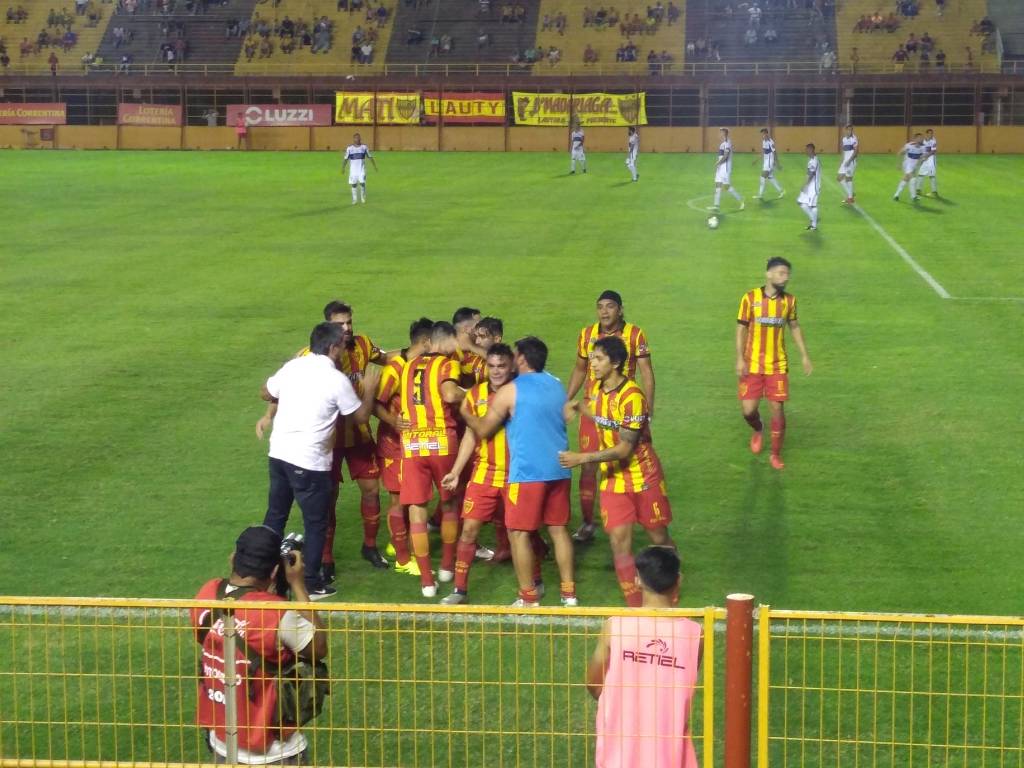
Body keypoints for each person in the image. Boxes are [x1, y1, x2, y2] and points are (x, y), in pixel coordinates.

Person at [260, 322, 379, 597]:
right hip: (309, 461)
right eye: (342, 346)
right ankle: (311, 583)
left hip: (278, 454)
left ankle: (262, 575)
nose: (344, 351)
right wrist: (370, 389)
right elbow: (360, 417)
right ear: (334, 347)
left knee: (275, 515)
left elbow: (266, 392)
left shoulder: (293, 366)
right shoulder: (335, 379)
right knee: (316, 523)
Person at [193, 526, 327, 764]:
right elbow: (318, 648)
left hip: (222, 744)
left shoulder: (207, 593)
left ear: (233, 558)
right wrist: (297, 584)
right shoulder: (276, 613)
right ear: (275, 571)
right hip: (275, 751)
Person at [462, 337, 577, 607]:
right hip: (559, 469)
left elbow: (483, 430)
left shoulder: (509, 391)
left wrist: (465, 413)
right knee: (558, 530)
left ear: (522, 359)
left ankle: (528, 597)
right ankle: (569, 594)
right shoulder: (557, 385)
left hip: (527, 473)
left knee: (518, 533)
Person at [559, 336, 673, 606]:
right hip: (613, 479)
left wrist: (582, 458)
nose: (592, 364)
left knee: (658, 537)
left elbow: (624, 448)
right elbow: (606, 419)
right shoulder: (600, 389)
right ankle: (635, 606)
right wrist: (581, 407)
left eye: (599, 359)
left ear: (616, 362)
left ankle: (670, 588)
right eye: (592, 359)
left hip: (643, 475)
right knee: (619, 542)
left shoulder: (633, 397)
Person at [587, 546, 701, 768]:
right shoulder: (695, 634)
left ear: (637, 580)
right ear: (678, 580)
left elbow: (593, 684)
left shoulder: (615, 626)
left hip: (619, 749)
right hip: (670, 752)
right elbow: (683, 681)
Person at [565, 290, 653, 544]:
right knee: (588, 466)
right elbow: (580, 369)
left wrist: (648, 410)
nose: (604, 311)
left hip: (624, 410)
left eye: (610, 306)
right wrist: (566, 399)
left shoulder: (635, 334)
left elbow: (647, 373)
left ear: (620, 310)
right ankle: (588, 522)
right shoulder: (587, 334)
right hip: (593, 411)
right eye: (600, 307)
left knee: (629, 459)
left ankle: (637, 512)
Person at [439, 343, 516, 604]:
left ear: (511, 366)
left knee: (521, 532)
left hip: (515, 474)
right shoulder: (475, 393)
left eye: (501, 366)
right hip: (484, 473)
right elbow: (471, 435)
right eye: (491, 366)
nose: (496, 371)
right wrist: (456, 471)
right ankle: (459, 590)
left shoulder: (519, 393)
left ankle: (533, 584)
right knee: (469, 530)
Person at [399, 321, 465, 597]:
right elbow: (449, 393)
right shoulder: (448, 364)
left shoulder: (408, 365)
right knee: (449, 502)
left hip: (412, 443)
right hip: (441, 440)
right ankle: (447, 565)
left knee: (417, 508)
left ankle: (427, 581)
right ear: (445, 339)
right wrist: (471, 394)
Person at [736, 258, 813, 471]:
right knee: (748, 411)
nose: (785, 278)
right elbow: (741, 329)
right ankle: (758, 428)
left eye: (787, 274)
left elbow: (794, 326)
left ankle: (775, 454)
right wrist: (739, 358)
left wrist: (804, 356)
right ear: (768, 274)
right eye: (781, 273)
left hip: (777, 365)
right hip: (752, 364)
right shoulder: (750, 298)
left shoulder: (789, 301)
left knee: (777, 409)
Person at [375, 317, 433, 576]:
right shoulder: (395, 369)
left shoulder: (423, 366)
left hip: (414, 444)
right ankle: (402, 559)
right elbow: (376, 403)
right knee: (399, 500)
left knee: (413, 499)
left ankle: (396, 543)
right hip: (394, 445)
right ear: (426, 342)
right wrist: (393, 421)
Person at [712, 127, 744, 211]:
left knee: (726, 187)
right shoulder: (723, 143)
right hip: (720, 167)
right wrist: (718, 165)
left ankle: (741, 201)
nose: (719, 134)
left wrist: (718, 163)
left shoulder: (727, 143)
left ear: (724, 133)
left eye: (721, 132)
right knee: (718, 185)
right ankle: (716, 205)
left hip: (725, 168)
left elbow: (726, 156)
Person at [342, 132, 378, 205]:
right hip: (353, 171)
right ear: (354, 139)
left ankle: (363, 198)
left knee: (362, 183)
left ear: (360, 139)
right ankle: (354, 199)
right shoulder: (350, 148)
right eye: (356, 138)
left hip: (361, 170)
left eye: (358, 138)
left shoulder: (364, 147)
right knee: (354, 185)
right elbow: (346, 159)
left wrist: (374, 166)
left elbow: (370, 156)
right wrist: (343, 168)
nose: (357, 139)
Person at [894, 133, 926, 202]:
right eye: (919, 138)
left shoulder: (923, 147)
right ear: (915, 139)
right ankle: (913, 196)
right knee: (913, 179)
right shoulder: (909, 145)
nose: (921, 139)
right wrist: (898, 164)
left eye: (921, 138)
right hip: (907, 164)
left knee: (906, 179)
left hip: (915, 166)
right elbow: (899, 153)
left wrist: (922, 160)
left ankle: (896, 195)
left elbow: (923, 157)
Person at [797, 143, 821, 232]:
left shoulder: (813, 161)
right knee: (801, 202)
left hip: (813, 187)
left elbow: (811, 174)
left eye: (807, 149)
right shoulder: (812, 159)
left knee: (812, 205)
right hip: (811, 185)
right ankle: (813, 221)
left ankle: (814, 224)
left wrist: (805, 185)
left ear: (811, 149)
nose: (806, 151)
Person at [755, 127, 783, 200]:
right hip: (766, 162)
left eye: (764, 134)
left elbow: (775, 152)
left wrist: (777, 163)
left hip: (769, 161)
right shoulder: (764, 141)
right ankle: (781, 191)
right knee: (770, 177)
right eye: (762, 134)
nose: (763, 135)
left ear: (767, 134)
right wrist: (756, 160)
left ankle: (760, 195)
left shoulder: (770, 142)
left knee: (763, 177)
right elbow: (763, 152)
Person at [837, 124, 859, 204]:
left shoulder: (854, 138)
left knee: (848, 178)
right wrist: (841, 162)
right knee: (839, 178)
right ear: (845, 130)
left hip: (851, 162)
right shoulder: (844, 139)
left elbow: (856, 151)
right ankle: (851, 194)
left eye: (851, 130)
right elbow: (844, 152)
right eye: (848, 129)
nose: (850, 131)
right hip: (845, 162)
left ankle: (850, 198)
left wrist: (849, 161)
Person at [918, 128, 939, 196]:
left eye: (932, 133)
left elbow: (933, 151)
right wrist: (921, 158)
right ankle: (918, 190)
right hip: (925, 159)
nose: (931, 134)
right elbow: (921, 150)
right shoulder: (923, 141)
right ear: (926, 134)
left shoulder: (933, 141)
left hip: (931, 159)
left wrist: (926, 156)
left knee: (932, 175)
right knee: (921, 174)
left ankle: (934, 192)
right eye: (930, 133)